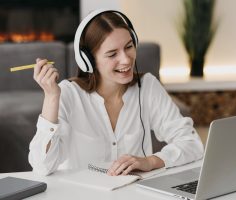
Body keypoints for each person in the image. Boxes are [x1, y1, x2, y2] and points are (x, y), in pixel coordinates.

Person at [28, 9, 204, 176]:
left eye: (128, 46)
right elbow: (42, 166)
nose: (126, 59)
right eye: (112, 54)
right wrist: (51, 97)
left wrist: (151, 161)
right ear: (88, 60)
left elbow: (192, 144)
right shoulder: (68, 94)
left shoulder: (147, 86)